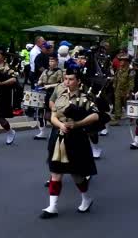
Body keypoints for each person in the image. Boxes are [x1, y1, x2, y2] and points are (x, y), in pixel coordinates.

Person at [40, 67, 99, 219]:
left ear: (78, 81)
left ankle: (86, 198)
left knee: (76, 174)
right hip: (58, 137)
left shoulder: (86, 97)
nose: (67, 82)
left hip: (76, 138)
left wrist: (77, 124)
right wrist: (60, 125)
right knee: (55, 172)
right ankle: (53, 206)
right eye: (65, 79)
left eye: (71, 79)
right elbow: (53, 115)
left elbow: (95, 116)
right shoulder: (61, 96)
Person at [35, 54, 64, 139]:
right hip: (43, 92)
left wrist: (50, 86)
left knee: (49, 114)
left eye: (53, 61)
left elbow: (61, 83)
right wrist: (39, 82)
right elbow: (40, 79)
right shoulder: (45, 71)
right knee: (40, 113)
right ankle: (42, 131)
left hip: (52, 93)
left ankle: (57, 128)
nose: (51, 62)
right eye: (50, 61)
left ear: (56, 62)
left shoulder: (59, 71)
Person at [111, 53, 134, 126]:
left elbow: (131, 82)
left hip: (125, 91)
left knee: (128, 106)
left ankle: (132, 119)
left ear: (127, 62)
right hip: (118, 90)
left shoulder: (130, 71)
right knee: (117, 105)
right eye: (120, 60)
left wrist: (129, 92)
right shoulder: (119, 69)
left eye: (123, 60)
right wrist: (114, 86)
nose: (121, 62)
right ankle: (117, 119)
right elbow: (116, 79)